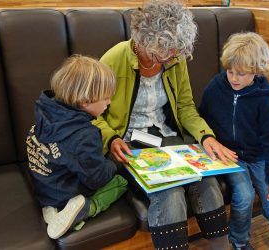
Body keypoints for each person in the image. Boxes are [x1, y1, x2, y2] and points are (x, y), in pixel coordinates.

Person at [94, 1, 237, 249]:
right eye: (164, 50)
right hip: (128, 142)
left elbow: (185, 106)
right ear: (144, 40)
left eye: (176, 50)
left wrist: (206, 137)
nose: (171, 57)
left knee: (205, 181)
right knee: (169, 191)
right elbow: (91, 112)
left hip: (166, 136)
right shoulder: (113, 60)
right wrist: (111, 138)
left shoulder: (174, 58)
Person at [199, 32, 269, 250]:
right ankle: (240, 242)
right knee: (243, 197)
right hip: (231, 157)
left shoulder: (265, 97)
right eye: (230, 71)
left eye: (242, 74)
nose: (234, 78)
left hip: (260, 157)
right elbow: (201, 118)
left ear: (257, 70)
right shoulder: (216, 87)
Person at [26, 55, 128, 239]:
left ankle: (51, 208)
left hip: (45, 188)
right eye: (105, 98)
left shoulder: (46, 111)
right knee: (121, 183)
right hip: (66, 191)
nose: (109, 103)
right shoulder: (83, 136)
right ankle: (85, 208)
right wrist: (114, 164)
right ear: (84, 101)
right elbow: (97, 178)